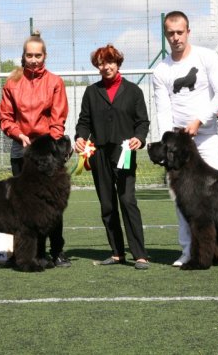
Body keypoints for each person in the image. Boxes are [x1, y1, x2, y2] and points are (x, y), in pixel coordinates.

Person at [152, 10, 218, 267]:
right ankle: (189, 251)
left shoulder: (207, 57)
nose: (176, 37)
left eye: (180, 32)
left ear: (188, 31)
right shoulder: (161, 70)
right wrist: (169, 145)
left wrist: (199, 120)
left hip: (206, 137)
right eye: (170, 33)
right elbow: (163, 110)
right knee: (181, 198)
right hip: (178, 145)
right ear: (166, 35)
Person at [0, 31, 71, 268]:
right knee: (18, 208)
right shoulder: (12, 83)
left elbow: (58, 119)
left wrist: (49, 145)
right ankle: (22, 254)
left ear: (45, 56)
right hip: (21, 149)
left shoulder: (55, 82)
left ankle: (56, 251)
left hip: (47, 151)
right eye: (29, 55)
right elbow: (5, 117)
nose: (33, 59)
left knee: (52, 204)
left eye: (37, 55)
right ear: (23, 56)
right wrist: (19, 135)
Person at [75, 44, 151, 270]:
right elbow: (84, 121)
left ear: (118, 63)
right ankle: (117, 252)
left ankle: (140, 255)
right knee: (107, 204)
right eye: (100, 63)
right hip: (99, 154)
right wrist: (80, 137)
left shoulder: (133, 91)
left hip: (124, 153)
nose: (105, 67)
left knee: (128, 201)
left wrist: (139, 137)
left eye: (109, 62)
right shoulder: (91, 92)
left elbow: (142, 122)